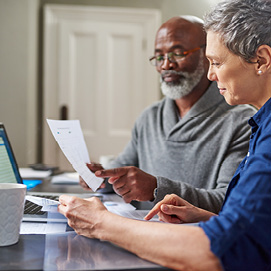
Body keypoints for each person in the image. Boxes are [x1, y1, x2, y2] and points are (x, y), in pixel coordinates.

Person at [59, 0, 271, 270]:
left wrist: (102, 223)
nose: (210, 74)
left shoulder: (249, 123)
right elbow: (250, 222)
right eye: (159, 56)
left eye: (216, 61)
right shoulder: (261, 123)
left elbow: (224, 247)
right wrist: (202, 216)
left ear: (261, 60)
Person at [81, 15, 256, 213]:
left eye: (178, 53)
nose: (166, 65)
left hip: (195, 238)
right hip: (139, 231)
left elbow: (228, 200)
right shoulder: (150, 117)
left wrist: (157, 189)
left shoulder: (242, 122)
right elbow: (121, 175)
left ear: (207, 55)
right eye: (159, 56)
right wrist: (101, 177)